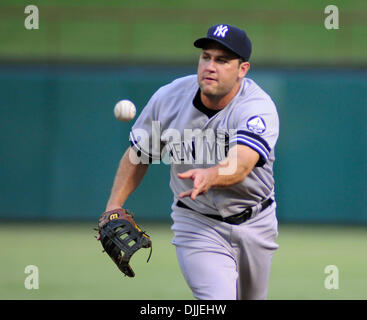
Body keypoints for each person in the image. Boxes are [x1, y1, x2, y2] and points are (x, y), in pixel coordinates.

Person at [105, 24, 279, 300]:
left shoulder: (256, 106)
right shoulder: (169, 98)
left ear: (242, 70)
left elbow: (243, 162)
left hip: (255, 221)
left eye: (222, 60)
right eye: (206, 57)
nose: (211, 66)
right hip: (196, 221)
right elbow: (138, 155)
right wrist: (114, 205)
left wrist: (211, 175)